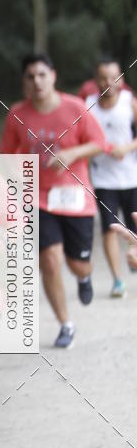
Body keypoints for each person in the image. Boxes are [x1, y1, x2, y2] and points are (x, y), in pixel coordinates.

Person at [0, 54, 106, 348]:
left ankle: (84, 277)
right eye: (30, 77)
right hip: (39, 200)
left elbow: (100, 144)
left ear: (53, 76)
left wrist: (72, 154)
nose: (37, 81)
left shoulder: (75, 107)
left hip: (75, 198)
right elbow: (8, 156)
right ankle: (65, 324)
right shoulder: (17, 114)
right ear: (25, 83)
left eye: (42, 75)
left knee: (77, 264)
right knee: (49, 259)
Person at [86, 58, 137, 297]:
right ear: (96, 80)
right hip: (104, 180)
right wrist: (105, 148)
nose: (109, 82)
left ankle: (132, 259)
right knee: (109, 230)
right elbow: (82, 141)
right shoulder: (87, 106)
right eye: (104, 77)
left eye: (113, 77)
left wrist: (126, 149)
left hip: (131, 178)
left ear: (121, 80)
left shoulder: (130, 103)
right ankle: (118, 280)